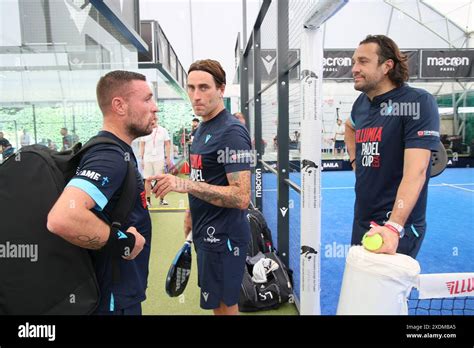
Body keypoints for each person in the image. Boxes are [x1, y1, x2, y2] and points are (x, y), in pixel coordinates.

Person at [47, 70, 156, 315]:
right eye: (147, 99)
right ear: (119, 105)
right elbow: (62, 217)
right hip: (111, 300)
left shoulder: (115, 152)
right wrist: (123, 242)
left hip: (115, 294)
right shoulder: (109, 157)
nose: (155, 107)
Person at [150, 59, 251, 315]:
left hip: (225, 237)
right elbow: (202, 177)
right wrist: (191, 213)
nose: (196, 95)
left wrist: (183, 185)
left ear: (221, 89)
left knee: (225, 308)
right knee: (217, 305)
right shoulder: (204, 127)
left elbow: (241, 197)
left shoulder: (233, 133)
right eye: (191, 87)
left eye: (204, 87)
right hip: (205, 231)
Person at [345, 35, 440, 258]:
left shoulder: (417, 102)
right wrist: (354, 161)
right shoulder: (362, 103)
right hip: (362, 219)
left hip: (396, 225)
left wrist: (394, 226)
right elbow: (349, 127)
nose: (354, 69)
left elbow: (416, 172)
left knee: (385, 293)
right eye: (353, 62)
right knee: (359, 290)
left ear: (387, 65)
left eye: (363, 61)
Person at [139, 116, 172, 206]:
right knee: (148, 179)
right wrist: (141, 158)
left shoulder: (163, 130)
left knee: (161, 180)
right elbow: (142, 145)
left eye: (154, 120)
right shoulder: (144, 131)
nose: (152, 121)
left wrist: (168, 157)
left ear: (156, 120)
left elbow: (167, 144)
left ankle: (162, 199)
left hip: (159, 158)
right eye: (151, 120)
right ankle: (148, 201)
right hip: (147, 159)